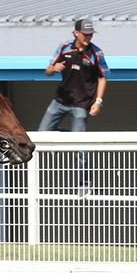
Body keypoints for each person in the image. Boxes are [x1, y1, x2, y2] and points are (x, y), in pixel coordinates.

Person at [38, 19, 109, 198]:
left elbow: (102, 78)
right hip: (59, 102)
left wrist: (98, 102)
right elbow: (47, 70)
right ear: (76, 33)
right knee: (39, 137)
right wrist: (54, 68)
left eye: (91, 34)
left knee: (80, 146)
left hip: (81, 105)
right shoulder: (64, 47)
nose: (88, 37)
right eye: (85, 34)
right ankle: (73, 134)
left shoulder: (96, 53)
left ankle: (84, 183)